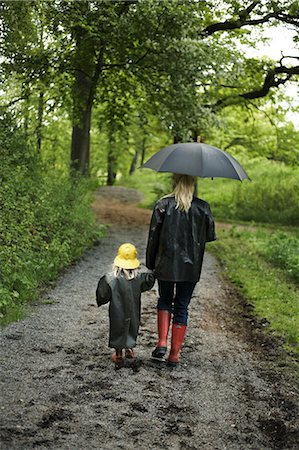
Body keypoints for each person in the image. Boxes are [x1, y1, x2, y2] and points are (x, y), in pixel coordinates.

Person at [146, 174, 216, 366]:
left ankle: (161, 343)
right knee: (182, 306)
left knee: (165, 300)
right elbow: (209, 236)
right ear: (193, 183)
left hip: (166, 263)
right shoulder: (203, 207)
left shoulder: (163, 205)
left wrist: (151, 263)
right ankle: (174, 354)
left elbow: (153, 237)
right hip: (191, 268)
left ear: (175, 182)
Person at [96, 242, 155, 365]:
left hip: (116, 310)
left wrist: (101, 300)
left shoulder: (111, 278)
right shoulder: (139, 278)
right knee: (133, 325)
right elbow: (149, 282)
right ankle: (129, 349)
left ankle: (118, 354)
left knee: (117, 326)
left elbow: (102, 294)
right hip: (133, 309)